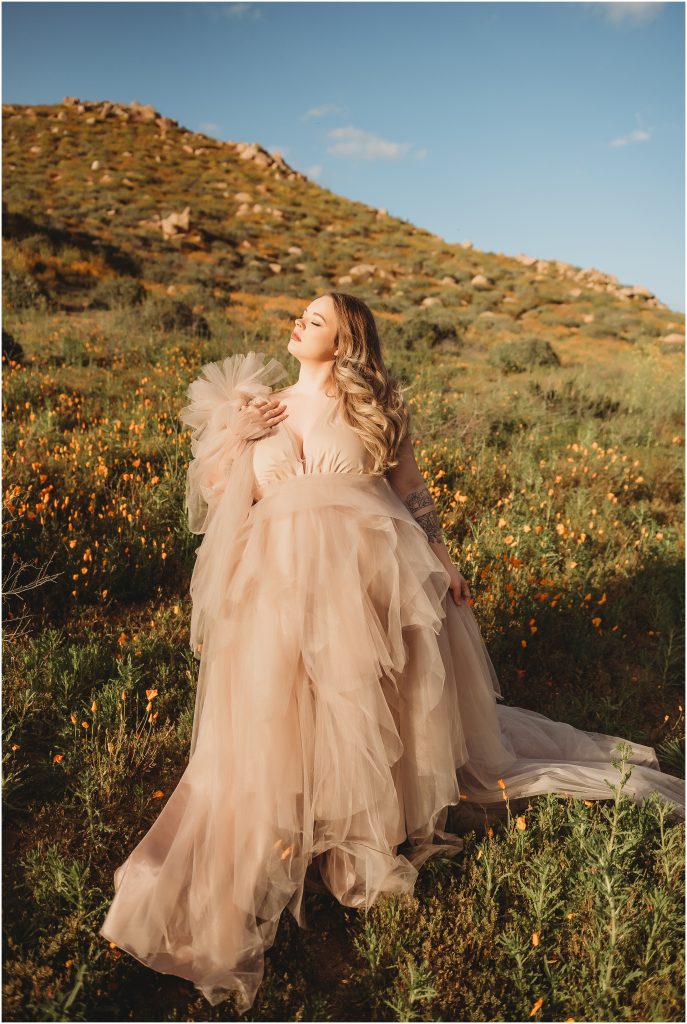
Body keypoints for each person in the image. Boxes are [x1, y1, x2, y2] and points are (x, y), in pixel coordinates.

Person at [99, 291, 684, 1012]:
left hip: (368, 571)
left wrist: (445, 557)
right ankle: (292, 822)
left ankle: (361, 833)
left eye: (314, 319)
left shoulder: (379, 407)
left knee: (369, 701)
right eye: (301, 316)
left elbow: (411, 493)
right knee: (282, 707)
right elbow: (225, 504)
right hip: (279, 576)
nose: (298, 323)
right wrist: (235, 436)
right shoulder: (262, 405)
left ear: (345, 342)